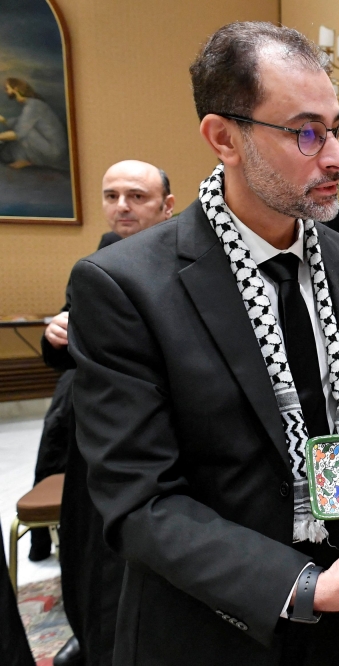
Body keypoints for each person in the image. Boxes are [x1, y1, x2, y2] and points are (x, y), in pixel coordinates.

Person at [69, 22, 339, 665]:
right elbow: (141, 502)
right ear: (224, 137)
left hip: (337, 610)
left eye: (336, 128)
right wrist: (299, 585)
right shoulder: (123, 285)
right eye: (307, 132)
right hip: (204, 624)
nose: (336, 155)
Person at [34, 160, 174, 666]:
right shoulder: (97, 262)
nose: (122, 207)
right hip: (93, 427)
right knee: (91, 547)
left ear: (166, 206)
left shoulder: (188, 262)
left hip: (163, 425)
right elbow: (66, 349)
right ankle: (93, 637)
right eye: (111, 195)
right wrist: (56, 335)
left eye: (136, 196)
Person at [0, 77, 69, 170]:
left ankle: (27, 160)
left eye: (6, 88)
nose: (5, 91)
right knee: (6, 153)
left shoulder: (33, 106)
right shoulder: (32, 105)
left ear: (15, 89)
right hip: (48, 146)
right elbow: (18, 122)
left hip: (53, 151)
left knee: (23, 134)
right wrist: (3, 120)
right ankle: (24, 160)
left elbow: (18, 133)